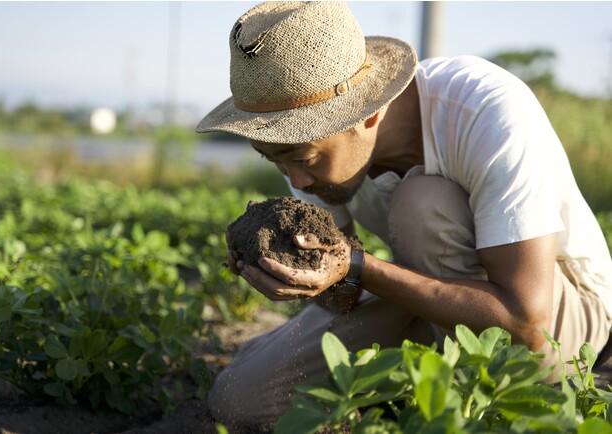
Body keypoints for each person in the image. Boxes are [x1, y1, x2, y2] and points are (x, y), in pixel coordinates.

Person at [196, 1, 612, 431]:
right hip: (434, 296)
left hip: (560, 320)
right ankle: (425, 374)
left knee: (421, 205)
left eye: (302, 159)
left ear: (368, 112)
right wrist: (303, 275)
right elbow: (345, 298)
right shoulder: (307, 152)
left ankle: (465, 395)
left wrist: (357, 266)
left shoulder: (486, 112)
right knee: (242, 401)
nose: (296, 181)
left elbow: (525, 320)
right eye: (276, 162)